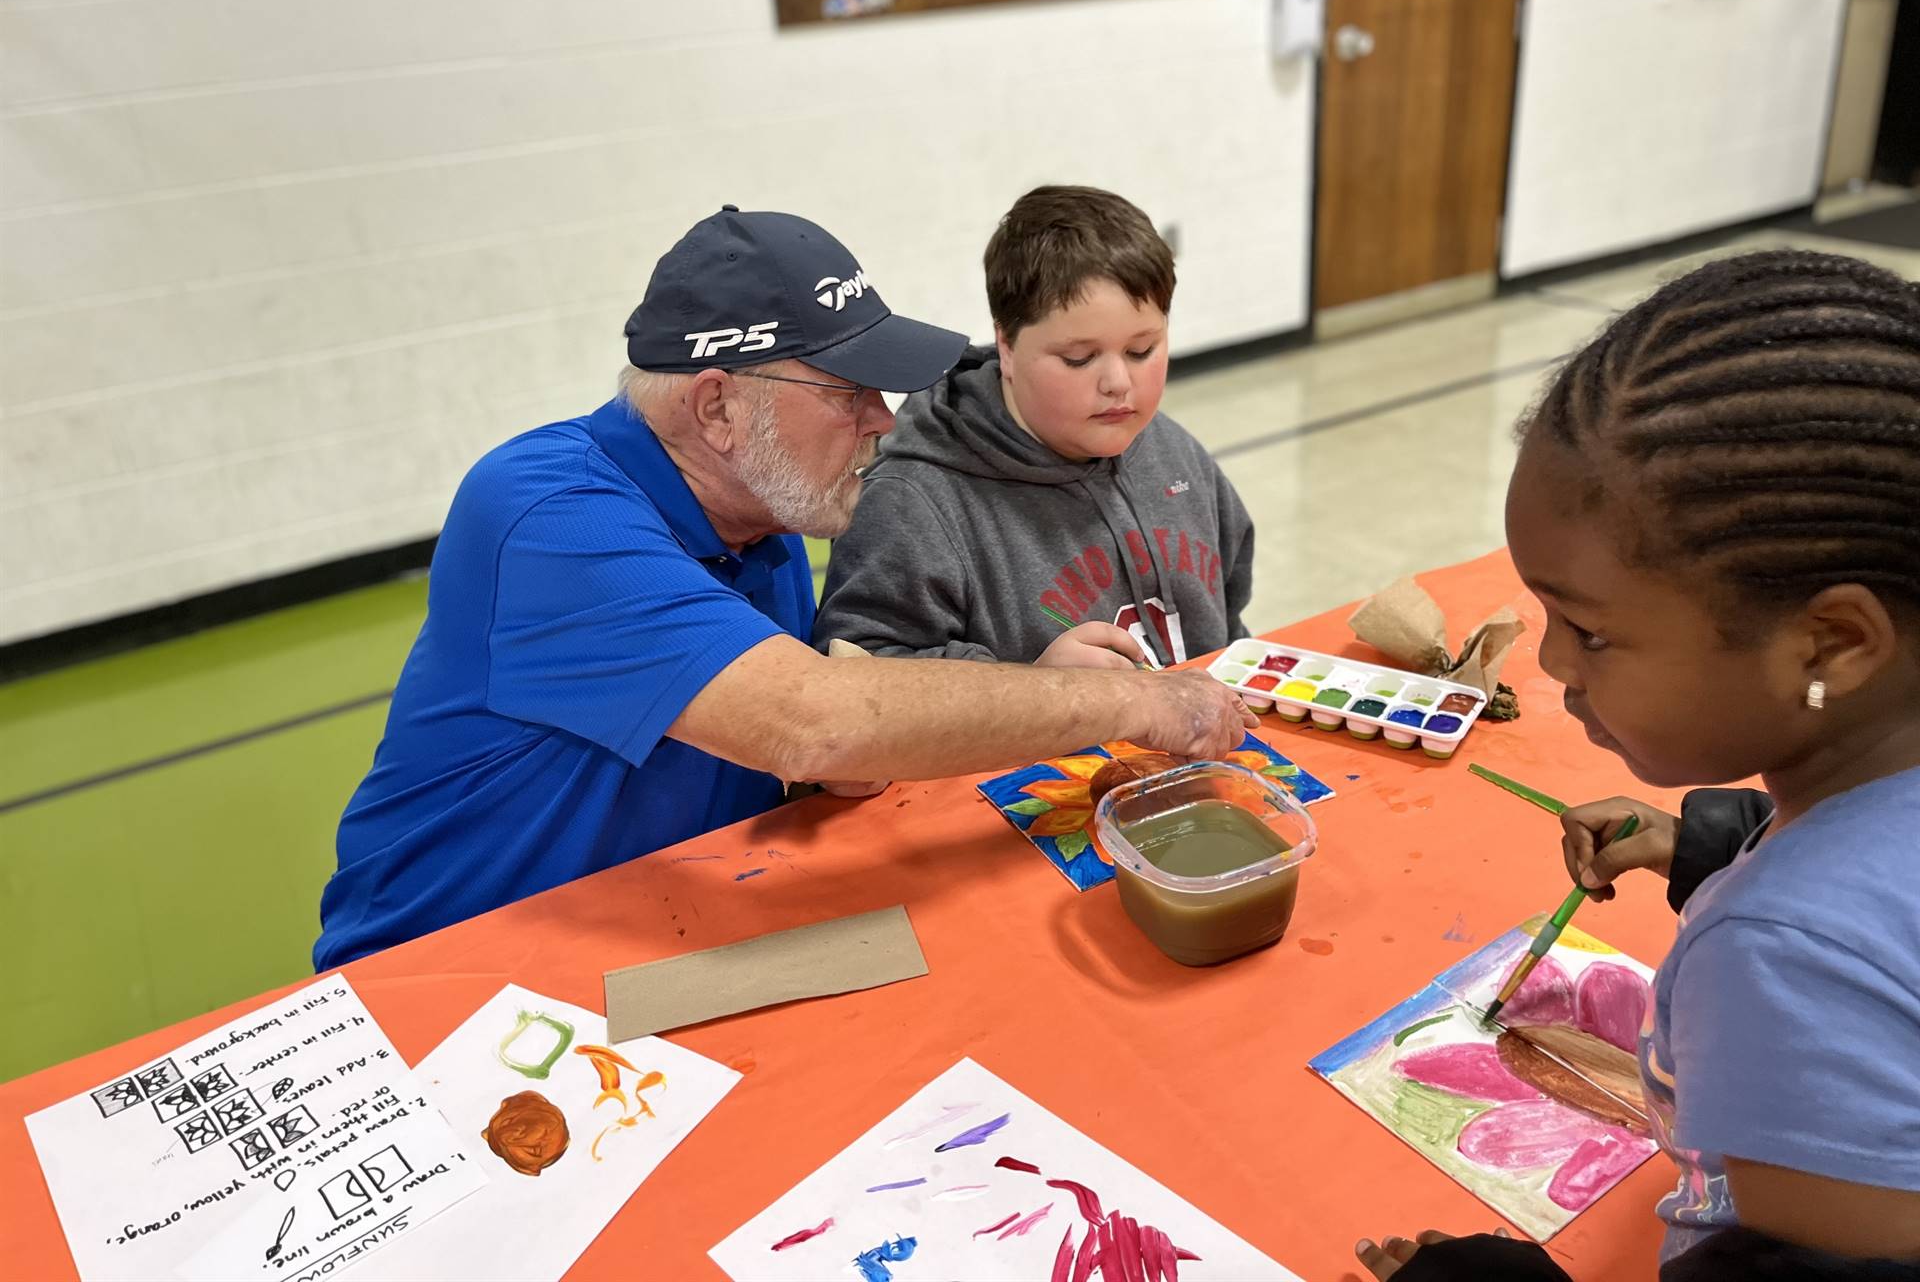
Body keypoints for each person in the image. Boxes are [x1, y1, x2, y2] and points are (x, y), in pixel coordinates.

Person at [314, 208, 1253, 970]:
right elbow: (816, 717)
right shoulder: (547, 513)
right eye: (848, 393)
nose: (884, 421)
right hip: (453, 969)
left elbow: (811, 744)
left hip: (675, 936)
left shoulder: (759, 523)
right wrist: (1129, 700)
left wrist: (832, 762)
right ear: (718, 406)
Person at [1356, 251, 1920, 1279]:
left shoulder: (1779, 958)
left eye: (1590, 631)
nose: (1552, 665)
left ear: (1833, 643)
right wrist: (1709, 845)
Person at [814, 185, 1253, 672]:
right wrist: (1036, 688)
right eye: (1078, 358)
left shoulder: (1174, 452)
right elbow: (860, 679)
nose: (1118, 383)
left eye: (1142, 350)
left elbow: (1232, 634)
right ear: (1006, 346)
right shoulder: (912, 503)